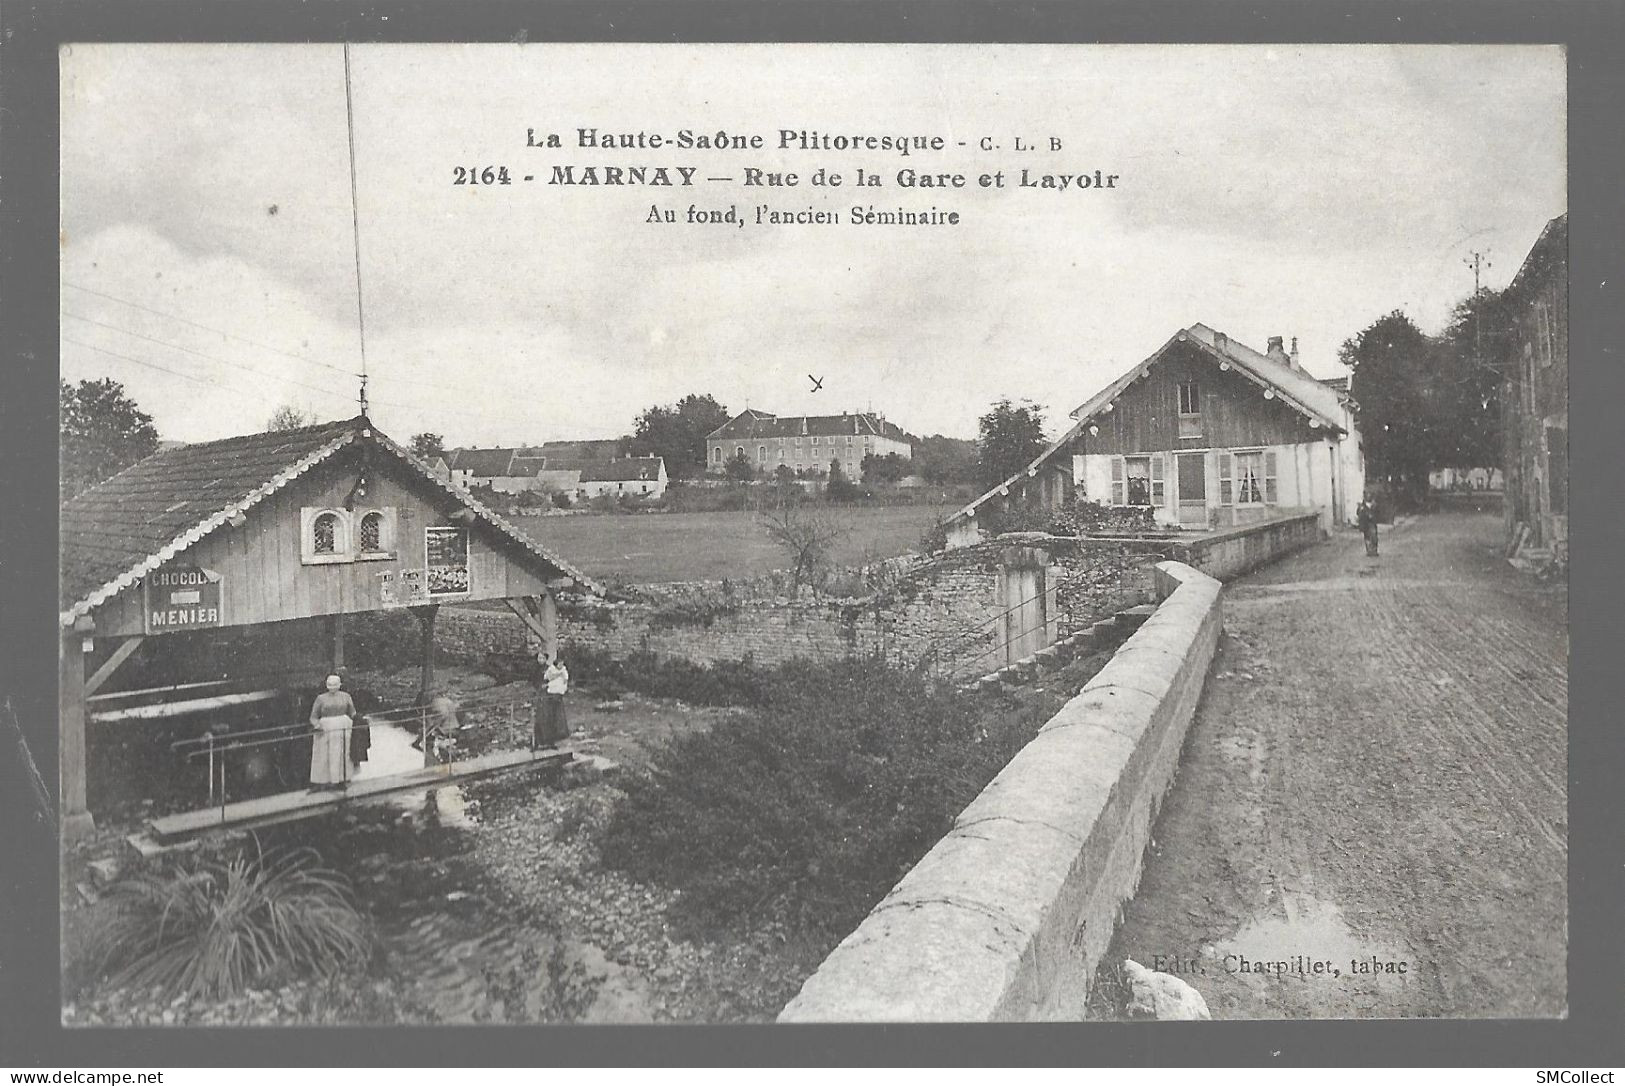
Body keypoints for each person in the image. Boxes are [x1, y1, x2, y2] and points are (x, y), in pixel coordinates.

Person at [308, 674, 356, 789]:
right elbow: (313, 717)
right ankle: (321, 781)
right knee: (323, 755)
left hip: (343, 727)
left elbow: (352, 712)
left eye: (335, 684)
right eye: (330, 684)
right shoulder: (320, 698)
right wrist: (317, 725)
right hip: (325, 729)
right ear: (326, 685)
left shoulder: (346, 696)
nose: (332, 687)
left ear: (340, 685)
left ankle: (340, 780)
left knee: (341, 754)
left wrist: (358, 719)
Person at [533, 651, 571, 750]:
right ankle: (538, 742)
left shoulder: (550, 668)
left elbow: (556, 680)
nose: (540, 660)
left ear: (546, 659)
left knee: (552, 718)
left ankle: (551, 742)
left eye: (542, 658)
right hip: (541, 696)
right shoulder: (535, 669)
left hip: (550, 696)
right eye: (539, 658)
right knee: (540, 719)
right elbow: (534, 682)